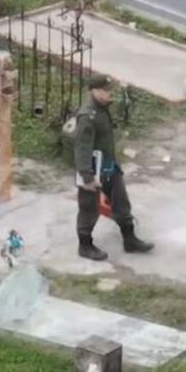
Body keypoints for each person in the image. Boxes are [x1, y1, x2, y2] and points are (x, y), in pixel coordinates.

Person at [74, 75, 154, 261]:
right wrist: (87, 177)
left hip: (109, 166)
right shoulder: (88, 116)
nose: (110, 93)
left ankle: (130, 240)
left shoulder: (102, 109)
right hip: (93, 170)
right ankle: (85, 246)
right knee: (89, 208)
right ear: (94, 90)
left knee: (121, 203)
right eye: (106, 90)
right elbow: (82, 148)